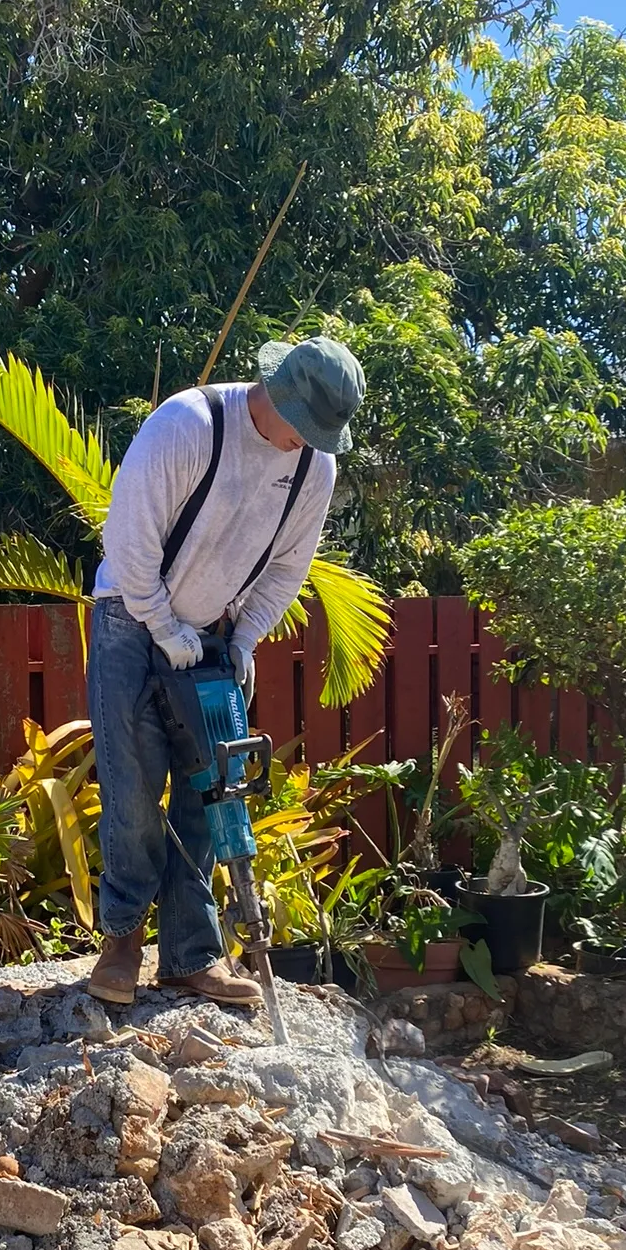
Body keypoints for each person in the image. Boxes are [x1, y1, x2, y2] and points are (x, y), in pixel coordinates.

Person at [85, 336, 366, 1006]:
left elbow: (288, 568)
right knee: (132, 790)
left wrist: (242, 639)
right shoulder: (189, 426)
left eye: (322, 434)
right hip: (131, 618)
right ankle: (122, 941)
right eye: (304, 426)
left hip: (212, 636)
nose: (307, 443)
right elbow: (128, 541)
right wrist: (162, 623)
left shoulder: (313, 470)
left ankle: (191, 955)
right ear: (278, 392)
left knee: (211, 792)